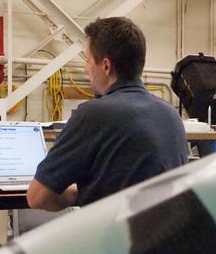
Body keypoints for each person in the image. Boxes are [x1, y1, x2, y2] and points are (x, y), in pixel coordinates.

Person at [28, 17, 189, 211]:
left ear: (106, 66)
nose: (86, 68)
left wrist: (82, 193)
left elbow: (37, 197)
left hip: (114, 237)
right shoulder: (171, 116)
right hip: (165, 237)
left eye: (87, 61)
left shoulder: (93, 115)